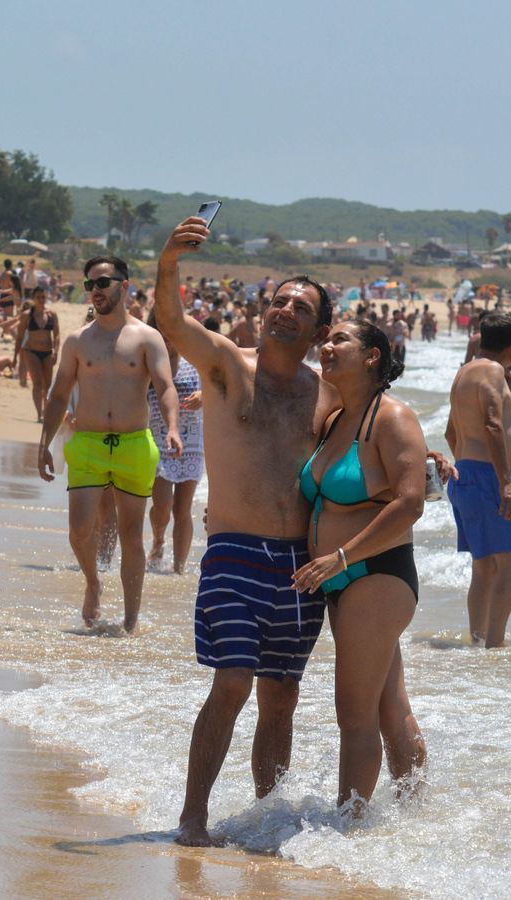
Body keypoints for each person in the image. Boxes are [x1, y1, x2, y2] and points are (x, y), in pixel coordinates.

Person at [155, 217, 335, 848]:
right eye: (280, 299)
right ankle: (192, 818)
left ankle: (266, 818)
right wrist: (170, 261)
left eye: (301, 306)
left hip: (301, 566)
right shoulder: (232, 365)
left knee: (280, 698)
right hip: (234, 555)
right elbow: (173, 324)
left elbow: (374, 429)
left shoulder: (325, 393)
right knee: (232, 682)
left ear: (318, 331)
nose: (285, 309)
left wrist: (429, 456)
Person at [290, 319, 429, 810]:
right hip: (337, 578)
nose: (326, 346)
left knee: (354, 714)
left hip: (377, 574)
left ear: (373, 356)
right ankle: (415, 815)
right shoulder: (335, 419)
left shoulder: (393, 417)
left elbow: (411, 503)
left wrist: (342, 557)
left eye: (339, 340)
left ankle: (349, 828)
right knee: (390, 707)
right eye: (325, 339)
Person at [37, 256, 180, 633]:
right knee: (80, 530)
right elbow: (58, 395)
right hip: (88, 442)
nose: (95, 291)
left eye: (102, 283)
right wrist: (43, 443)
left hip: (135, 443)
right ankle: (93, 583)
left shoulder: (148, 338)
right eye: (90, 285)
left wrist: (173, 427)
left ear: (125, 285)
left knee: (132, 536)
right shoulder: (78, 339)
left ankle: (131, 621)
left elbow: (165, 386)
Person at [444, 311, 511, 649]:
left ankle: (478, 638)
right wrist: (505, 481)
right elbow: (492, 423)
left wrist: (467, 465)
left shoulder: (465, 372)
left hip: (466, 473)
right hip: (487, 475)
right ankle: (495, 644)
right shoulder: (493, 371)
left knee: (485, 566)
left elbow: (451, 431)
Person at [146, 309, 204, 575]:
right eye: (161, 328)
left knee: (183, 508)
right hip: (158, 438)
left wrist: (202, 395)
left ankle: (179, 570)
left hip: (192, 440)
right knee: (162, 506)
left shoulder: (196, 359)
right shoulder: (147, 360)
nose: (167, 335)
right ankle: (158, 541)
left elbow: (217, 386)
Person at [17, 291, 60, 421]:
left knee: (48, 385)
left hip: (47, 352)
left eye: (43, 297)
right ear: (33, 299)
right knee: (38, 383)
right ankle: (39, 414)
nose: (41, 299)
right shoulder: (27, 315)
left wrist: (56, 352)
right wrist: (15, 357)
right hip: (31, 352)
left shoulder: (52, 315)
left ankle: (46, 412)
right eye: (38, 297)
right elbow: (19, 337)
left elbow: (57, 335)